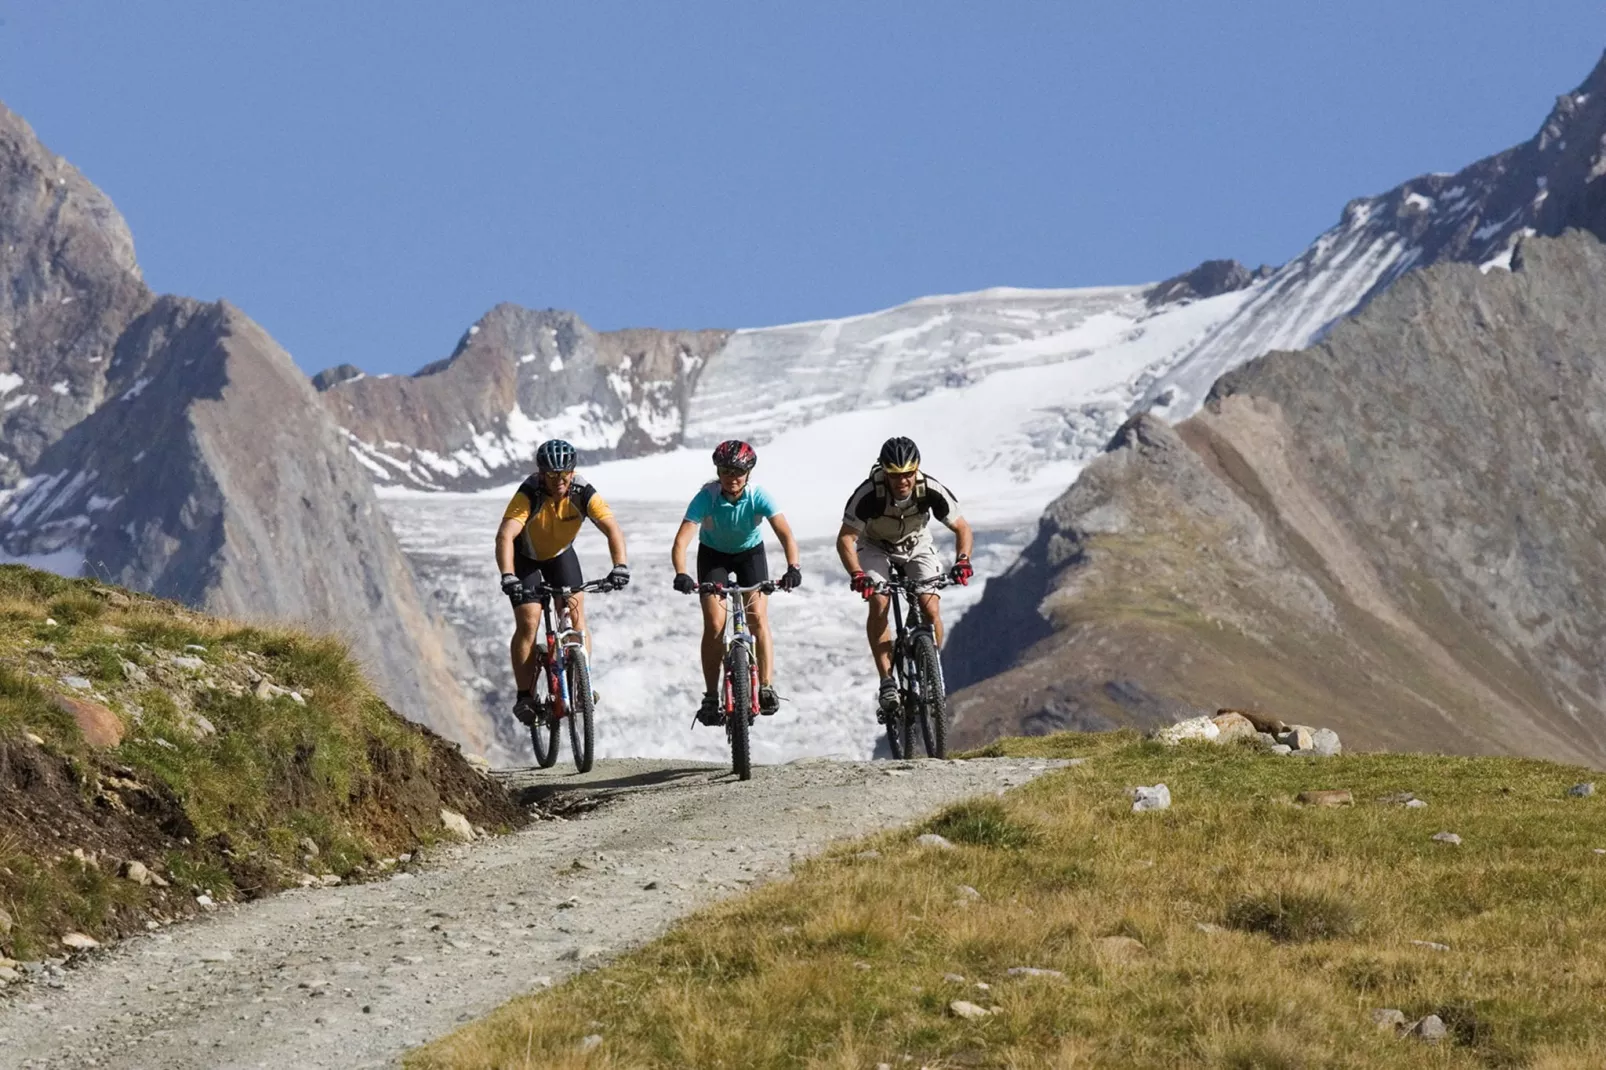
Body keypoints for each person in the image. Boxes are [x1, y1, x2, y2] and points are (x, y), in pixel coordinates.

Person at [836, 436, 974, 718]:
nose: (903, 481)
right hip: (875, 547)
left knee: (930, 606)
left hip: (917, 545)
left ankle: (931, 667)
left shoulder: (930, 489)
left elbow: (962, 528)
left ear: (917, 470)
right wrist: (858, 574)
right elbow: (845, 539)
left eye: (908, 474)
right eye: (895, 475)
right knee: (879, 603)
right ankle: (887, 681)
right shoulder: (868, 494)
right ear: (885, 472)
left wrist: (962, 560)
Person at [495, 439, 630, 726]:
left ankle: (581, 683)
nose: (559, 480)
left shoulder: (583, 492)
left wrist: (620, 566)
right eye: (552, 474)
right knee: (529, 620)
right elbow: (506, 535)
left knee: (576, 618)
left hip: (560, 555)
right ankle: (525, 696)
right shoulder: (529, 493)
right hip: (525, 557)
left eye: (564, 474)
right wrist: (508, 574)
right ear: (541, 473)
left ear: (573, 471)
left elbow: (612, 529)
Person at [670, 439, 802, 724]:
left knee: (757, 619)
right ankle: (710, 697)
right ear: (718, 472)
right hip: (713, 557)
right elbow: (681, 541)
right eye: (726, 472)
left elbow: (785, 534)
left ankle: (766, 687)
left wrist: (793, 567)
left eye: (738, 472)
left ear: (749, 473)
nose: (733, 478)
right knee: (715, 624)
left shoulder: (758, 496)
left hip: (750, 555)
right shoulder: (706, 497)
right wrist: (681, 573)